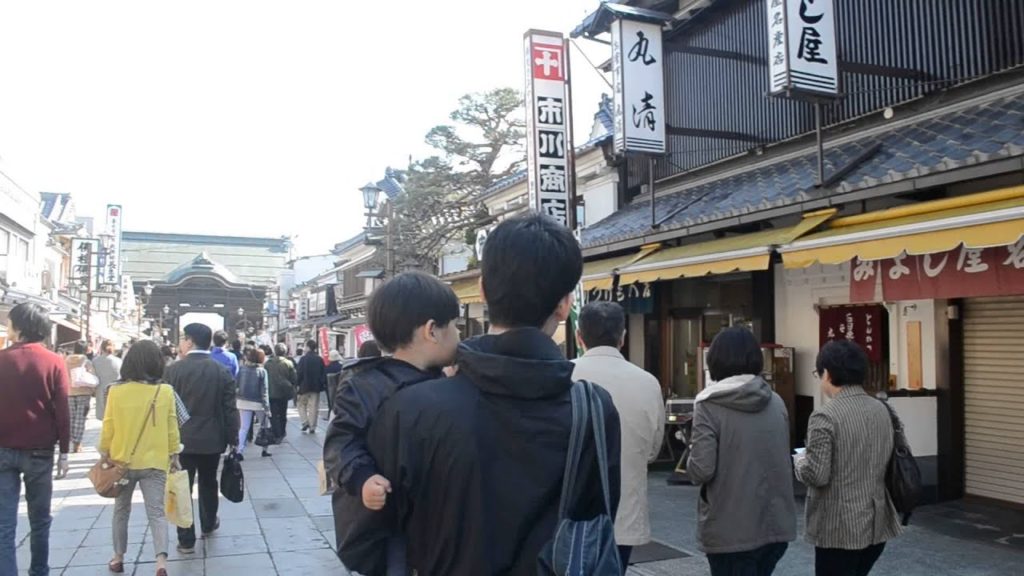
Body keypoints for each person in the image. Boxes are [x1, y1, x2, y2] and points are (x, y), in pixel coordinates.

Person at [365, 214, 622, 575]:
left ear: (483, 289)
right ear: (565, 305)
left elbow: (376, 531)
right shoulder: (594, 409)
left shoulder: (411, 407)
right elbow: (597, 517)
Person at [325, 272, 460, 576]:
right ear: (432, 331)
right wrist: (362, 478)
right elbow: (341, 441)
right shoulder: (364, 385)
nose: (458, 334)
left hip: (435, 516)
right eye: (454, 325)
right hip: (390, 518)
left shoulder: (444, 379)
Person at [687, 327, 796, 576]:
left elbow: (701, 470)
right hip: (775, 525)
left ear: (714, 360)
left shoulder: (708, 404)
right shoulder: (776, 401)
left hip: (730, 529)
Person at [571, 301, 665, 572]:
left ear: (580, 336)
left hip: (570, 515)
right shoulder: (647, 382)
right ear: (622, 337)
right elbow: (652, 450)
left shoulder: (563, 374)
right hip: (624, 513)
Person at [794, 340, 902, 576]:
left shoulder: (824, 416)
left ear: (828, 374)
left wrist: (800, 461)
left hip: (839, 527)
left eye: (818, 373)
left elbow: (817, 475)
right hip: (877, 520)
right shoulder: (881, 409)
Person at [0, 302, 70, 576]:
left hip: (3, 448)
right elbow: (61, 409)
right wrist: (64, 451)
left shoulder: (1, 359)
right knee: (39, 519)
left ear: (18, 328)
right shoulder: (54, 361)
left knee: (4, 523)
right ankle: (39, 570)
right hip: (40, 449)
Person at [100, 340, 180, 576]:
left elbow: (109, 426)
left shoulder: (115, 391)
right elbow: (172, 426)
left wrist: (104, 451)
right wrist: (174, 454)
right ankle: (161, 563)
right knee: (156, 512)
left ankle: (117, 558)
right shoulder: (164, 391)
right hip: (155, 460)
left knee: (121, 510)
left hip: (122, 462)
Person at [164, 323, 239, 554]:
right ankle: (208, 523)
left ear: (189, 341)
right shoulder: (221, 371)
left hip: (181, 439)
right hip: (212, 439)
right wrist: (232, 437)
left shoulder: (173, 371)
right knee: (208, 482)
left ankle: (185, 538)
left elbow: (166, 409)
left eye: (183, 339)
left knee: (182, 487)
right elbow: (229, 409)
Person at [236, 346, 271, 459]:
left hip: (242, 401)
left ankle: (239, 451)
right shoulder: (262, 371)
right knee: (264, 425)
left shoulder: (242, 369)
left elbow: (236, 385)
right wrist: (267, 408)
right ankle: (264, 449)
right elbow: (264, 391)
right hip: (258, 403)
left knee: (244, 427)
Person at [65, 341, 98, 453]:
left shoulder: (66, 361)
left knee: (71, 418)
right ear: (85, 349)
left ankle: (71, 439)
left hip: (69, 392)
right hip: (84, 392)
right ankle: (77, 443)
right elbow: (92, 375)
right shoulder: (86, 361)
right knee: (80, 418)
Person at [265, 344, 297, 443]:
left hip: (271, 392)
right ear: (285, 352)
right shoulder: (288, 363)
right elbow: (294, 378)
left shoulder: (268, 363)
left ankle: (276, 433)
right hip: (284, 392)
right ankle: (282, 432)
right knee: (283, 413)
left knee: (273, 414)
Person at [296, 339, 326, 434]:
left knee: (300, 404)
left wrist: (297, 384)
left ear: (308, 347)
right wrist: (322, 384)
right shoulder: (319, 359)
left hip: (304, 386)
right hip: (316, 387)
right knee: (314, 406)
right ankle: (312, 426)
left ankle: (305, 421)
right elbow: (323, 374)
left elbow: (299, 373)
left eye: (305, 346)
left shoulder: (303, 359)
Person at [92, 339, 123, 422]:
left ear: (101, 348)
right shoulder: (119, 361)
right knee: (113, 415)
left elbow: (93, 377)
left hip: (100, 390)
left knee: (103, 416)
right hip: (115, 390)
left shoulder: (95, 361)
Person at [324, 350, 344, 418]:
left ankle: (330, 415)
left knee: (330, 402)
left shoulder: (327, 368)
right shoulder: (341, 367)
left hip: (329, 388)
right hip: (340, 387)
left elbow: (324, 379)